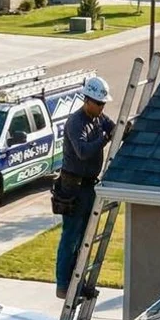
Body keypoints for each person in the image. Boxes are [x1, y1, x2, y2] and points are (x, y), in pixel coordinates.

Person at [54, 75, 116, 298]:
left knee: (85, 237)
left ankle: (79, 283)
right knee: (71, 236)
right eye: (99, 103)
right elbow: (82, 151)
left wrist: (122, 130)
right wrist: (105, 139)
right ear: (87, 100)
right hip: (72, 187)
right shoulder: (76, 122)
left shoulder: (99, 119)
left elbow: (114, 127)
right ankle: (64, 285)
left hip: (88, 186)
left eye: (103, 104)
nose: (102, 107)